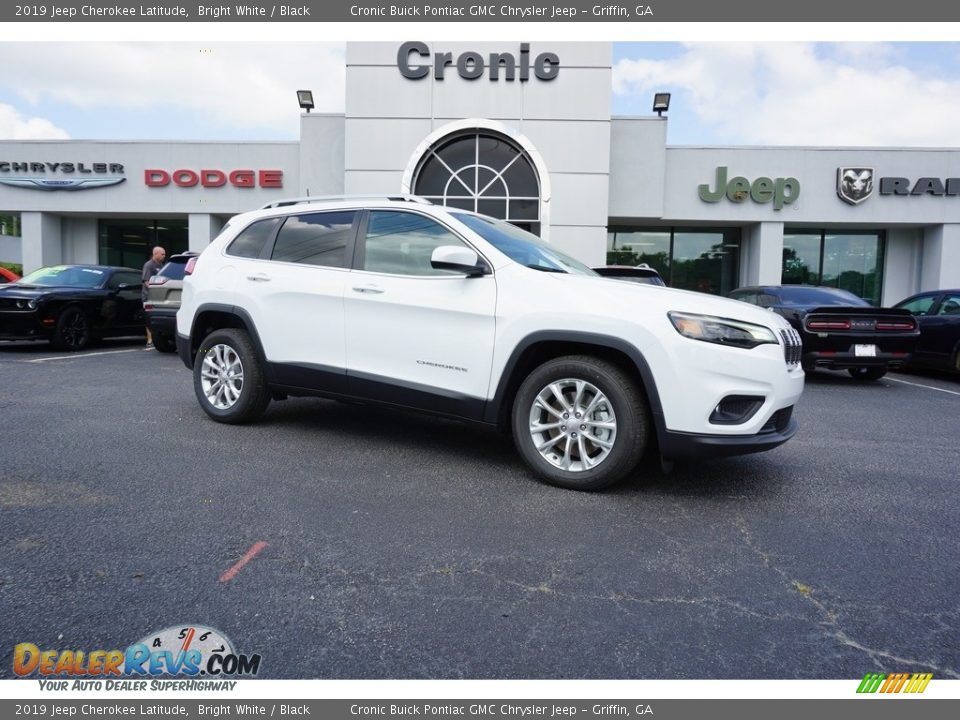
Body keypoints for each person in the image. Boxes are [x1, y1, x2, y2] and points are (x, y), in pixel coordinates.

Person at [141, 246, 166, 349]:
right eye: (162, 254)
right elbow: (146, 281)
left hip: (159, 297)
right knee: (149, 317)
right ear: (155, 254)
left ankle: (157, 339)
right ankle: (150, 339)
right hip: (148, 297)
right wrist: (154, 289)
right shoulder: (149, 265)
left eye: (164, 254)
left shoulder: (161, 265)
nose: (164, 256)